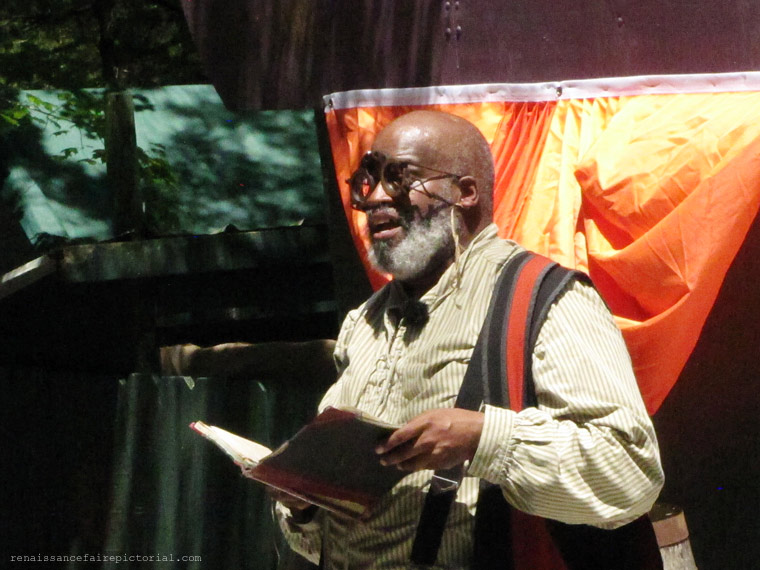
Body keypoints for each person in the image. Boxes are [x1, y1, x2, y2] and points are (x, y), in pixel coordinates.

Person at [274, 110, 664, 569]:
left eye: (400, 178)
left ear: (465, 193)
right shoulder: (364, 322)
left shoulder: (546, 298)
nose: (377, 197)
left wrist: (484, 439)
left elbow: (630, 472)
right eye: (369, 180)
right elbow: (332, 536)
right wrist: (303, 506)